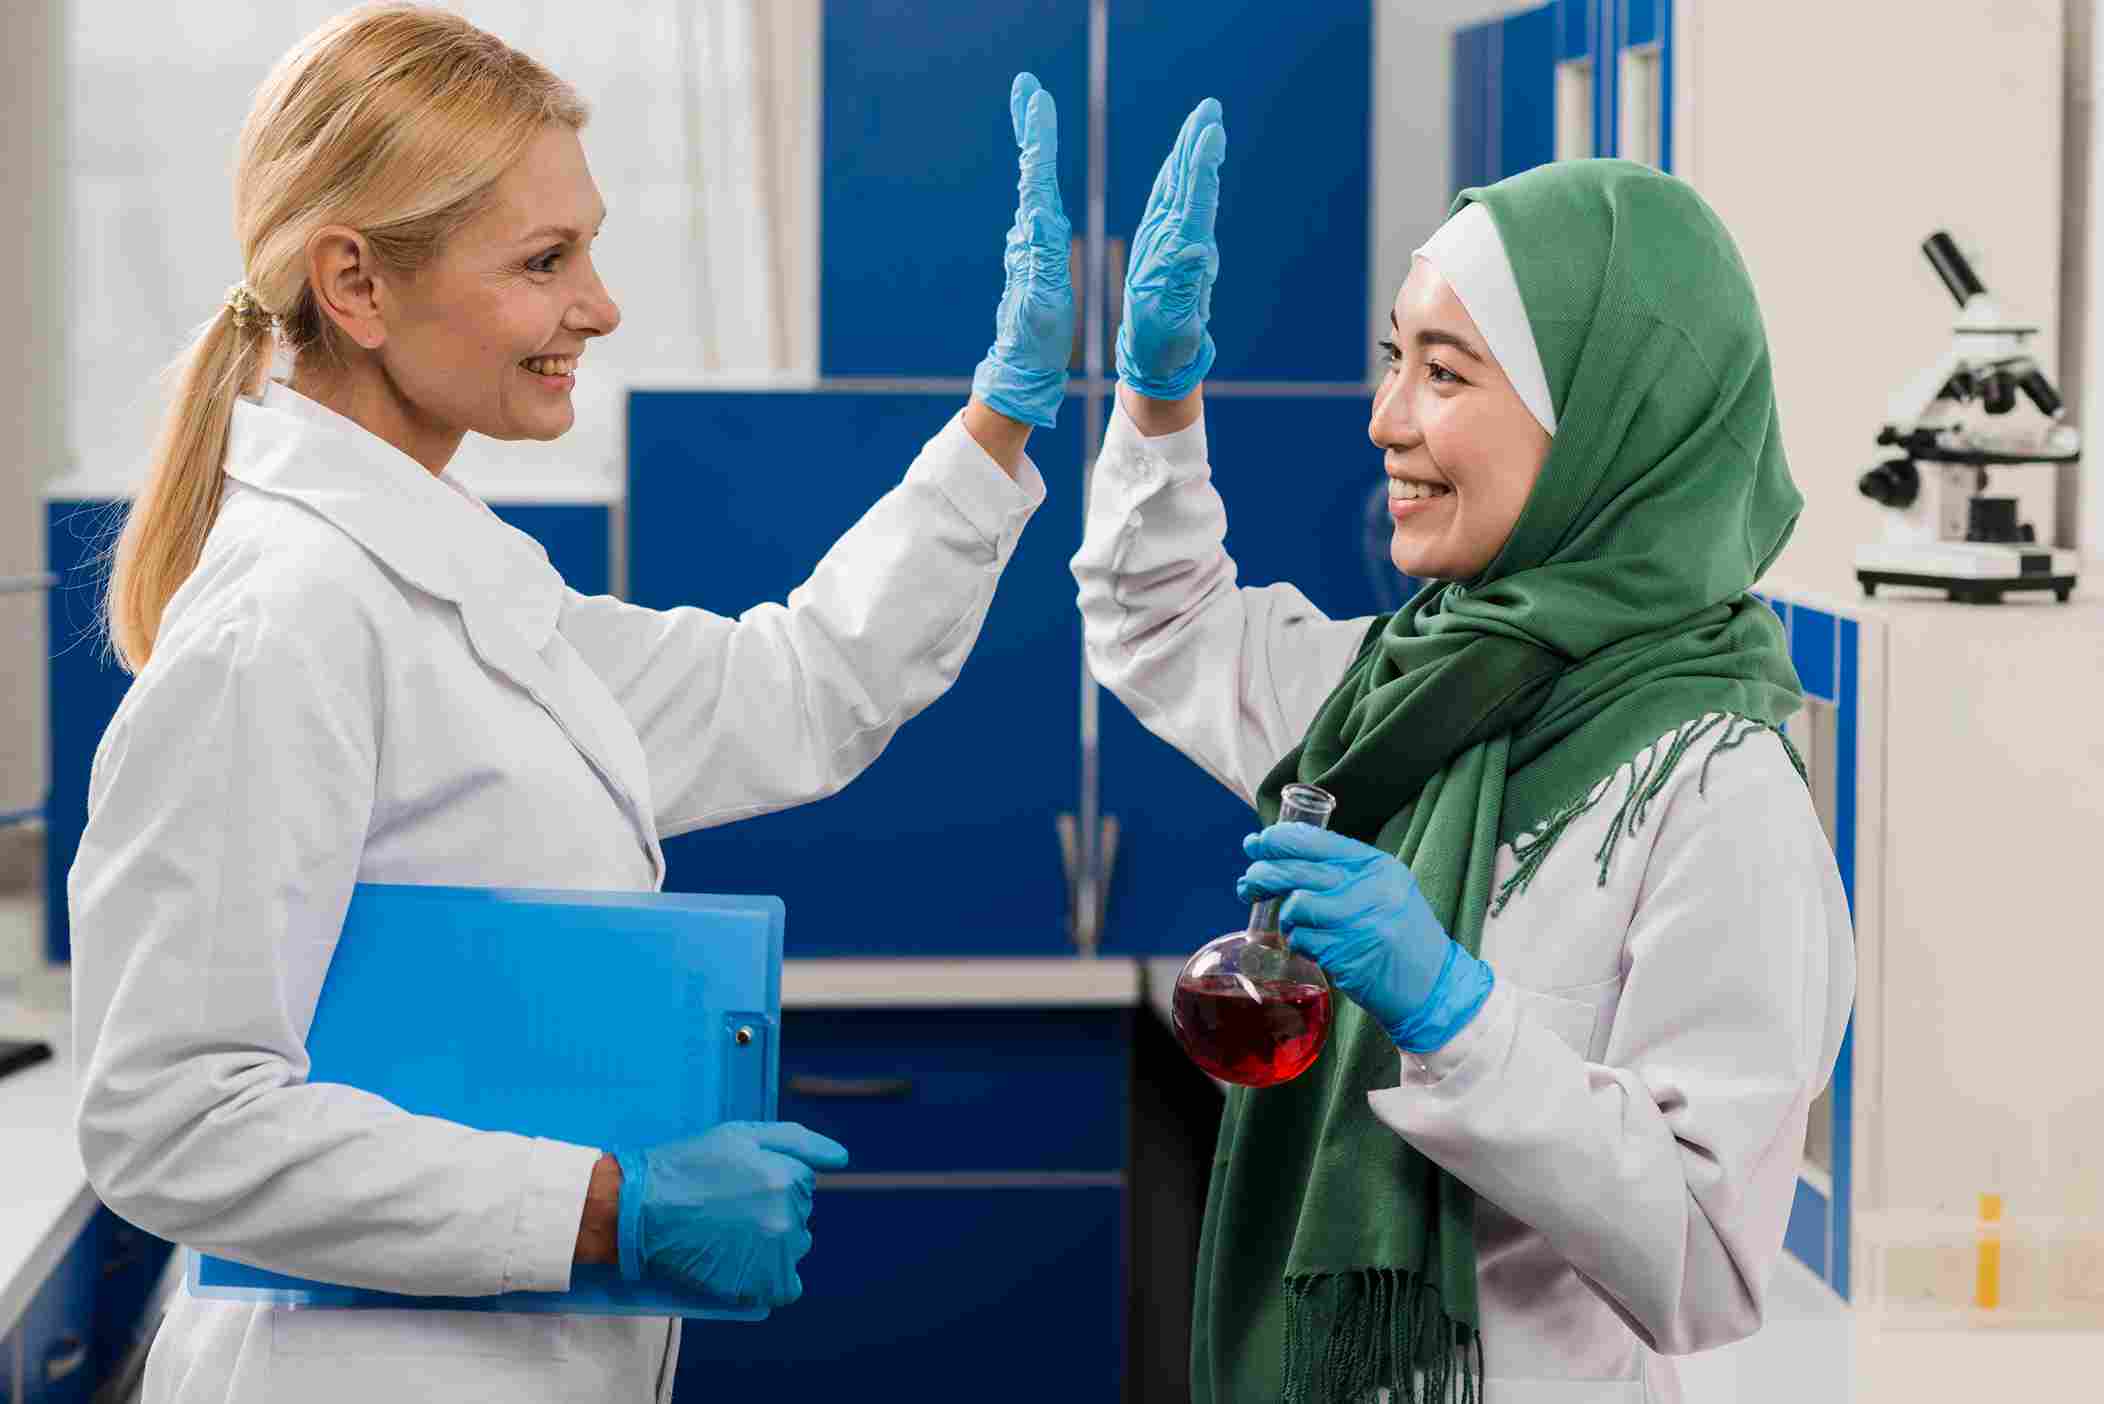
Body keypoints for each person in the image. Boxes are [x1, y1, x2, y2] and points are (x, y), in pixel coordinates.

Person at [68, 7, 1081, 1402]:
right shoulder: (287, 620)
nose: (598, 306)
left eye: (587, 249)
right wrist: (611, 1208)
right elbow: (169, 1119)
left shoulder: (445, 580)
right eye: (545, 262)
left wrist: (999, 418)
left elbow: (793, 689)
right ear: (355, 286)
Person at [1074, 135, 1855, 1402]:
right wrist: (1159, 401)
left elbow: (1704, 1267)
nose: (1386, 421)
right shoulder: (1398, 690)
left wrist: (1454, 1015)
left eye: (1445, 373)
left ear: (1610, 417)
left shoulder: (1719, 789)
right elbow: (1156, 620)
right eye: (1395, 360)